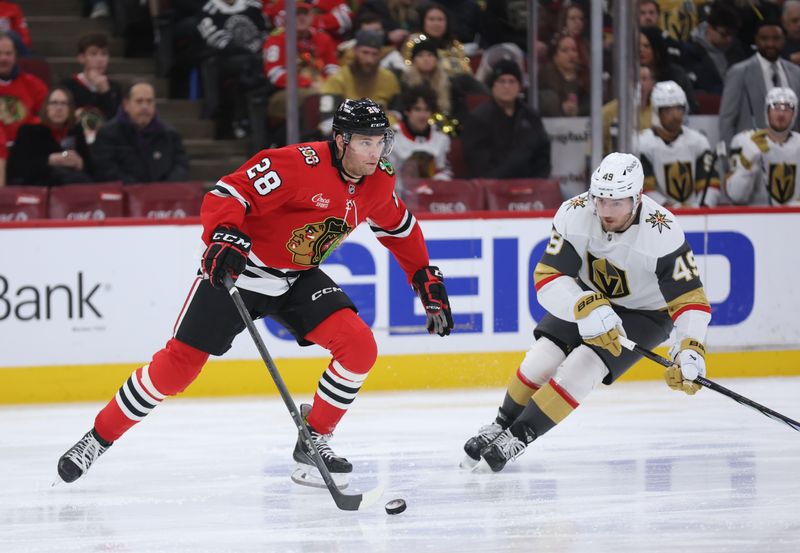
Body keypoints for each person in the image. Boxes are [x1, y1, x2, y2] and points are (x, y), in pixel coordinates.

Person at [55, 98, 454, 488]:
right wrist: (225, 234)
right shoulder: (296, 165)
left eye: (380, 141)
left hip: (297, 277)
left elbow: (397, 226)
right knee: (177, 369)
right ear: (341, 140)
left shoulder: (379, 178)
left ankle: (313, 439)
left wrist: (422, 273)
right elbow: (229, 193)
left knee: (359, 347)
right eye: (365, 142)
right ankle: (97, 438)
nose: (375, 152)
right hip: (240, 273)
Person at [461, 152, 712, 473]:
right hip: (587, 296)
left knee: (583, 367)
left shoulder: (663, 231)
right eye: (600, 199)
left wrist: (690, 348)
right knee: (541, 358)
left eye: (616, 202)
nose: (605, 210)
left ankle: (519, 436)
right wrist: (582, 305)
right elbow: (548, 278)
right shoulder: (575, 212)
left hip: (646, 314)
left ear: (637, 198)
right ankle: (501, 424)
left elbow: (689, 298)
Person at [461, 59, 551, 179]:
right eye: (501, 81)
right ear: (493, 86)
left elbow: (543, 153)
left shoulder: (531, 116)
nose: (507, 86)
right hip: (493, 184)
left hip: (530, 184)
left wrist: (536, 182)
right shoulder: (478, 118)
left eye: (512, 81)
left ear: (519, 86)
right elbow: (478, 162)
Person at [719, 18, 800, 147]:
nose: (770, 44)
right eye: (764, 38)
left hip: (790, 152)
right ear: (756, 40)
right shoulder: (739, 72)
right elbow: (727, 120)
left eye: (776, 38)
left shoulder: (796, 73)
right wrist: (731, 155)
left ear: (784, 40)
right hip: (751, 152)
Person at [639, 81, 719, 207]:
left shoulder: (698, 141)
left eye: (679, 108)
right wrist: (668, 209)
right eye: (668, 110)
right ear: (656, 112)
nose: (675, 115)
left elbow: (710, 184)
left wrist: (702, 207)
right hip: (658, 215)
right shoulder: (643, 144)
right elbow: (643, 189)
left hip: (695, 213)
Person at [91, 81, 190, 184]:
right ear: (126, 105)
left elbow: (181, 166)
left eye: (149, 101)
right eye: (139, 101)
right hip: (124, 191)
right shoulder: (108, 134)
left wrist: (164, 188)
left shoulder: (170, 134)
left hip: (164, 192)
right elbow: (105, 169)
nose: (145, 107)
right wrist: (138, 189)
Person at [262, 2, 339, 121]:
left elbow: (332, 67)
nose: (301, 18)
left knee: (341, 94)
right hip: (286, 92)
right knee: (315, 98)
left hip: (322, 86)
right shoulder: (276, 39)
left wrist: (330, 84)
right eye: (296, 14)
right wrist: (308, 84)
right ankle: (317, 131)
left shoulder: (323, 37)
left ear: (312, 17)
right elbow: (275, 73)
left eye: (305, 14)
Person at [726, 86, 800, 205]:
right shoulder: (744, 140)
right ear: (767, 111)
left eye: (787, 108)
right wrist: (747, 164)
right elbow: (735, 196)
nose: (781, 114)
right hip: (756, 215)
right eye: (775, 107)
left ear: (794, 114)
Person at [318, 29, 401, 134]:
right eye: (365, 53)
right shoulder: (337, 79)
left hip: (383, 135)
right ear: (355, 50)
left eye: (374, 54)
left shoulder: (389, 78)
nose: (369, 60)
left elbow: (397, 114)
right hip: (346, 135)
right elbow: (327, 121)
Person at [7, 87, 93, 186]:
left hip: (73, 185)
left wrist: (80, 163)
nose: (59, 108)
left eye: (64, 104)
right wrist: (50, 160)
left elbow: (92, 168)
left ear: (70, 109)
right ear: (46, 107)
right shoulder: (29, 132)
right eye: (54, 103)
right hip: (39, 186)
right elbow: (17, 169)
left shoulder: (75, 131)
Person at [389, 84, 452, 195]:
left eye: (427, 110)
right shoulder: (391, 138)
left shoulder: (442, 139)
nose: (423, 115)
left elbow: (445, 173)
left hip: (432, 198)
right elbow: (386, 177)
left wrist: (434, 185)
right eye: (417, 109)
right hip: (398, 198)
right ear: (407, 111)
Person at [61, 32, 123, 144]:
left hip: (107, 143)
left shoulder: (114, 88)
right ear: (81, 58)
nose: (100, 59)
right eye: (93, 54)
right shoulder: (68, 86)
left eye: (104, 54)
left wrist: (105, 93)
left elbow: (117, 122)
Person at [680, 1, 746, 95]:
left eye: (732, 34)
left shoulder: (735, 48)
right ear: (709, 28)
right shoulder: (691, 52)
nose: (729, 39)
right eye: (724, 34)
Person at [0, 31, 47, 143]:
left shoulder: (33, 84)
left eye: (8, 53)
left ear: (15, 55)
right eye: (0, 53)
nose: (3, 58)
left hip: (25, 145)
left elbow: (48, 115)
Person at [401, 4, 471, 76]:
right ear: (423, 21)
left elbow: (466, 70)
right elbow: (407, 68)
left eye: (440, 19)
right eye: (431, 19)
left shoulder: (455, 44)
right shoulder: (415, 41)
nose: (436, 23)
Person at [601, 65, 654, 156]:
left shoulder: (658, 111)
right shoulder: (608, 111)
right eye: (634, 79)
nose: (639, 84)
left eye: (644, 79)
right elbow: (596, 148)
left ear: (652, 84)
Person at [538, 32, 589, 117]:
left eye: (574, 50)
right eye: (564, 50)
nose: (571, 55)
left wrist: (579, 110)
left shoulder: (584, 75)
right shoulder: (545, 77)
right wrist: (560, 109)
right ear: (554, 56)